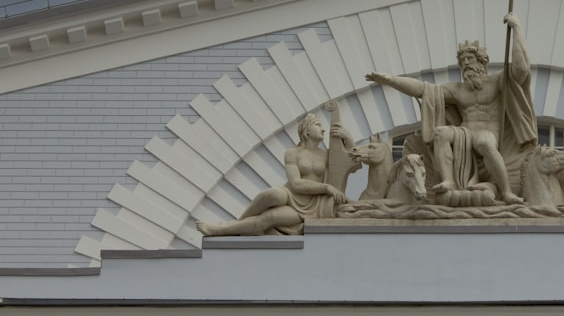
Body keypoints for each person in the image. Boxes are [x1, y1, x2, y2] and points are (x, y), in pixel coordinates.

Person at [365, 12, 535, 204]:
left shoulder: (497, 81)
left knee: (485, 142)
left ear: (482, 61)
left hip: (489, 132)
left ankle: (506, 192)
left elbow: (521, 69)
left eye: (469, 59)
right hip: (464, 132)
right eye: (462, 62)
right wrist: (390, 80)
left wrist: (517, 29)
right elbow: (423, 89)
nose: (465, 65)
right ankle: (448, 181)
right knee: (441, 133)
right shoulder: (457, 89)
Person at [197, 113, 354, 236]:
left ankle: (221, 230)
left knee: (269, 218)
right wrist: (326, 187)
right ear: (306, 130)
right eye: (318, 125)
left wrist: (347, 137)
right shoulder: (292, 153)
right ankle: (239, 222)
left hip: (311, 207)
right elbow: (296, 184)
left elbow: (353, 159)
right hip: (290, 195)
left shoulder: (327, 155)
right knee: (274, 195)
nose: (323, 129)